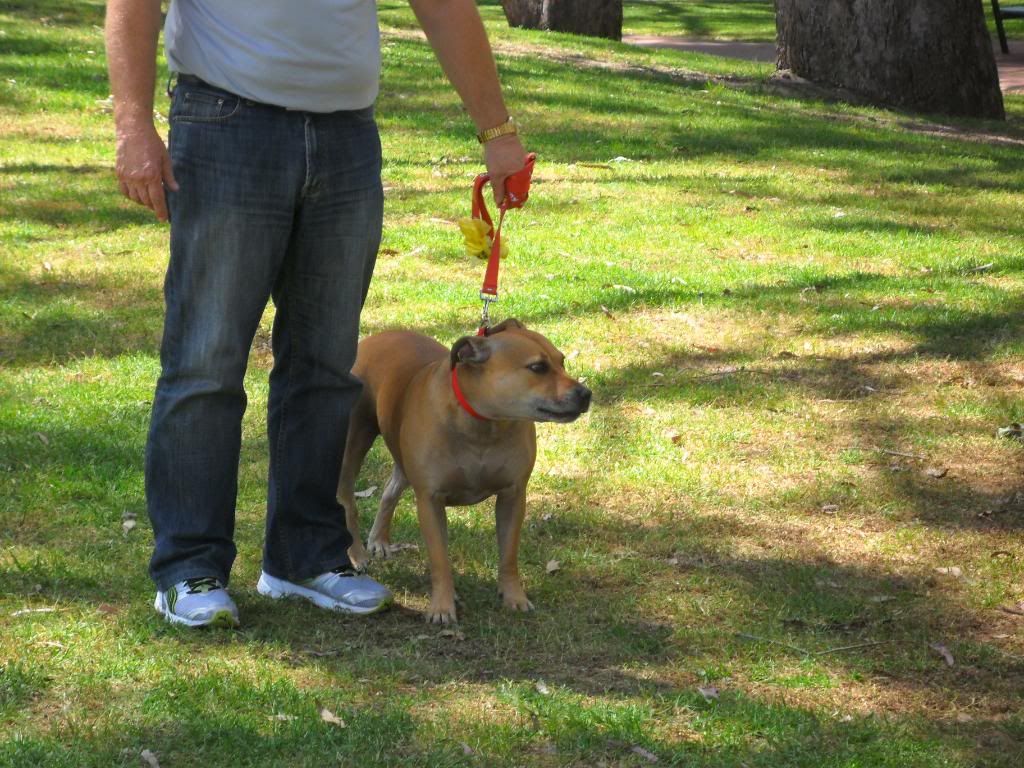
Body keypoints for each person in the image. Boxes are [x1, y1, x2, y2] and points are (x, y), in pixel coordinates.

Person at [105, 0, 528, 627]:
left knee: (326, 365)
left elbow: (442, 6)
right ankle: (188, 568)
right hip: (225, 124)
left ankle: (303, 558)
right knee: (205, 361)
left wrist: (498, 132)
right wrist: (132, 125)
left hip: (345, 137)